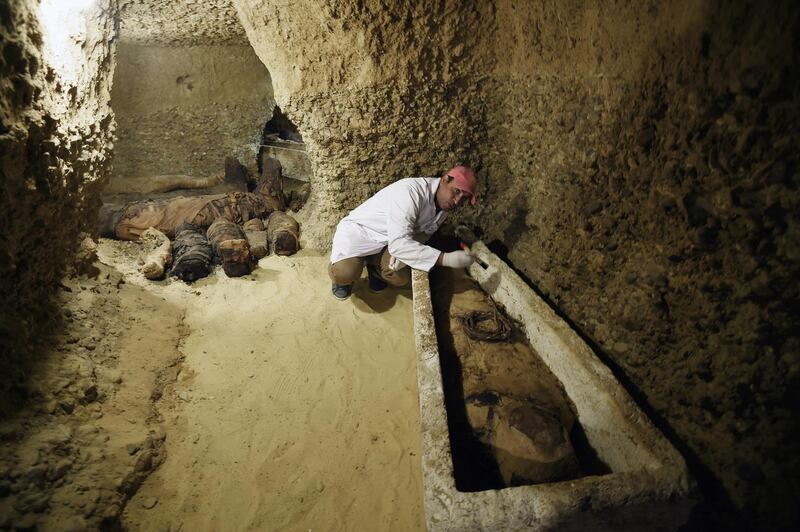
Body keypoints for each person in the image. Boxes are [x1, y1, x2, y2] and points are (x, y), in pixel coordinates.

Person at [328, 165, 479, 300]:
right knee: (346, 273)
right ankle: (340, 279)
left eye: (463, 198)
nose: (457, 200)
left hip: (388, 241)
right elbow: (399, 243)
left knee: (401, 277)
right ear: (445, 179)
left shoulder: (444, 205)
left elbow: (425, 233)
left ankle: (374, 270)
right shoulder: (410, 192)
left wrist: (405, 251)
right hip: (360, 234)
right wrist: (445, 259)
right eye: (456, 191)